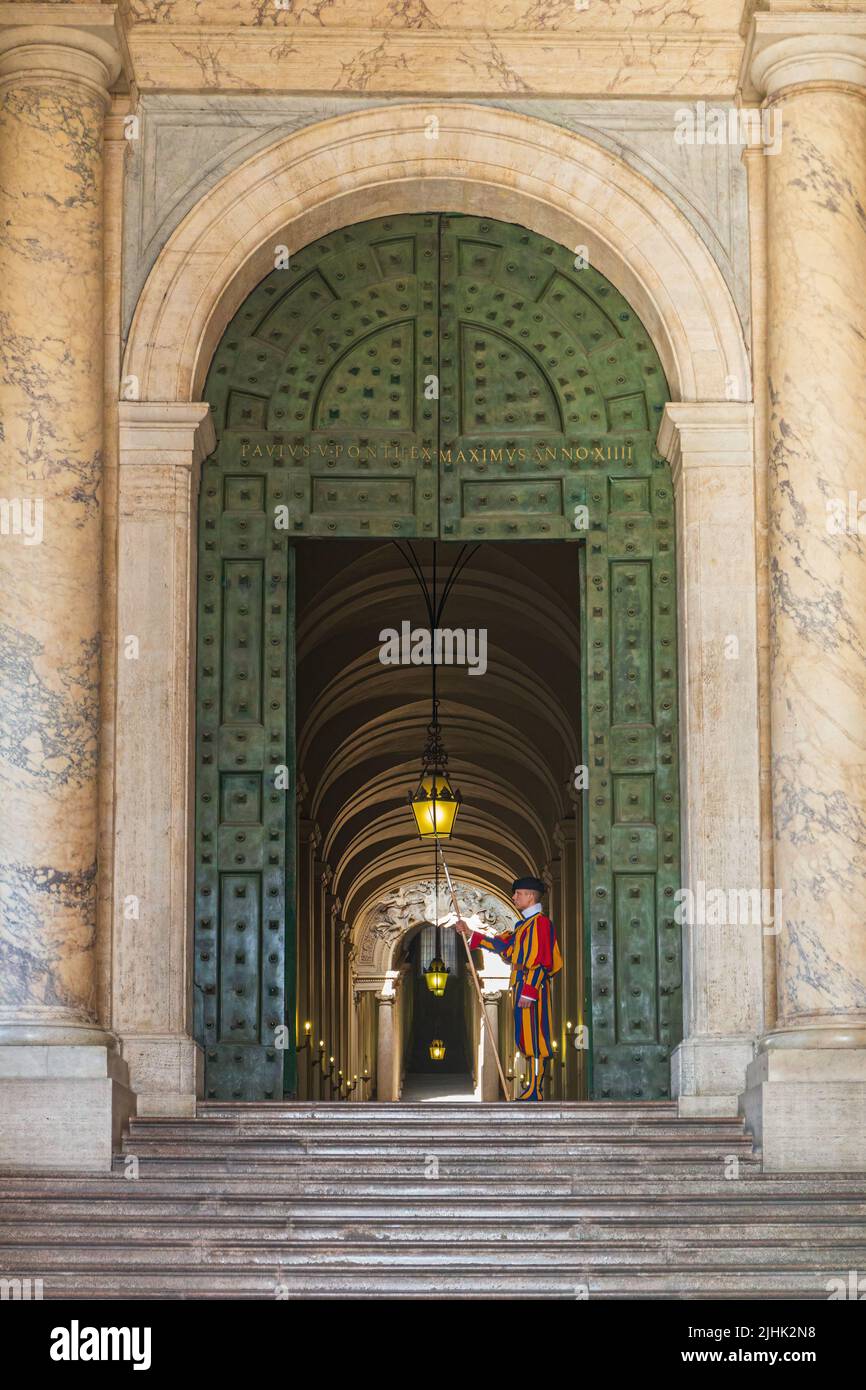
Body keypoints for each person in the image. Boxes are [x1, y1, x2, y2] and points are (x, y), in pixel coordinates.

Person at [455, 875, 562, 1102]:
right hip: (522, 985)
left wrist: (530, 991)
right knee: (524, 1038)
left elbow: (543, 960)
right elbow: (503, 946)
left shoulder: (541, 924)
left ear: (531, 896)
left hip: (533, 989)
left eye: (518, 894)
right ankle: (531, 1086)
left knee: (535, 1039)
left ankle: (536, 1089)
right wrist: (470, 933)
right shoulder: (522, 925)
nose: (514, 897)